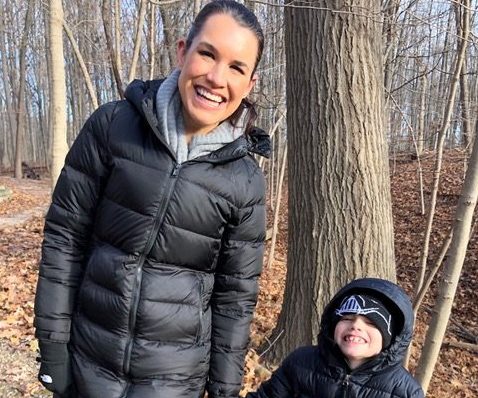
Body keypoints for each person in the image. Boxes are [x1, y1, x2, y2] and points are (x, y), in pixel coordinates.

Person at [34, 1, 269, 397]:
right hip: (87, 364)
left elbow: (235, 298)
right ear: (183, 51)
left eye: (235, 67)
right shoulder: (113, 127)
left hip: (174, 383)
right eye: (207, 54)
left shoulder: (245, 181)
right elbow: (64, 238)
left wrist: (224, 389)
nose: (215, 77)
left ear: (249, 84)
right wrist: (54, 345)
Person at [247, 278, 425, 398]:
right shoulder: (300, 362)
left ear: (391, 338)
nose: (356, 326)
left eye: (371, 323)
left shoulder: (405, 391)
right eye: (347, 318)